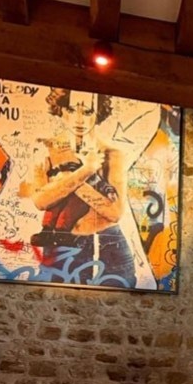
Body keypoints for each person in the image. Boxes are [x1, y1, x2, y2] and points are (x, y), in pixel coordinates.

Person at [30, 89, 138, 288]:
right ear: (60, 109)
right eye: (71, 109)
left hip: (107, 243)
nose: (79, 119)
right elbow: (40, 201)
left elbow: (114, 212)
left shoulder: (112, 153)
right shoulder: (46, 148)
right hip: (60, 244)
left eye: (88, 112)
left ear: (98, 113)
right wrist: (85, 170)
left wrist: (67, 180)